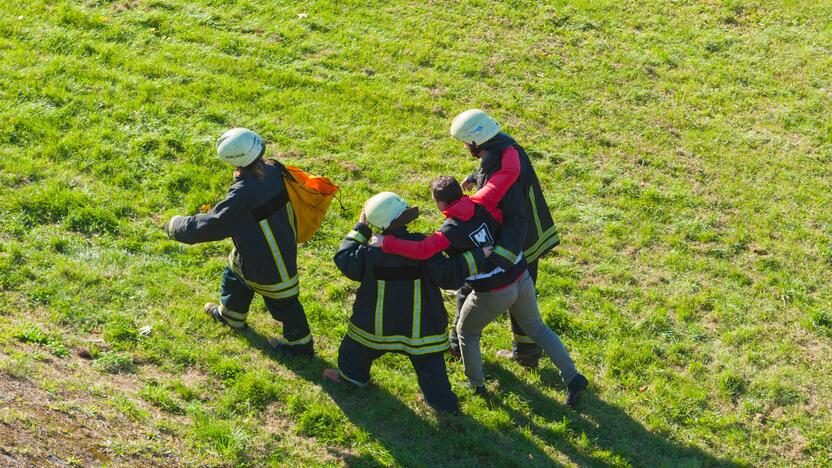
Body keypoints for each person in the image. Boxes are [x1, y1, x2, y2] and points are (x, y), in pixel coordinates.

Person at [372, 177, 587, 407]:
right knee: (538, 328)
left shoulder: (449, 231)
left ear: (442, 205)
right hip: (521, 276)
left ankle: (476, 385)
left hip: (493, 291)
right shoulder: (482, 203)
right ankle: (573, 377)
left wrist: (386, 243)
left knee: (466, 331)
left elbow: (424, 249)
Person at [323, 192, 491, 413]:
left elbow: (344, 259)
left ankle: (353, 379)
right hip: (421, 330)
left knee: (353, 353)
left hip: (374, 327)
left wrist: (361, 228)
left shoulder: (369, 251)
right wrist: (476, 256)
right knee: (432, 370)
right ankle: (444, 406)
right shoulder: (423, 246)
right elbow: (448, 275)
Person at [164, 128, 314, 357]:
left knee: (283, 302)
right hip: (261, 245)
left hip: (271, 260)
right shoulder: (273, 169)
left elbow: (215, 223)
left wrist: (178, 226)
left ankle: (300, 345)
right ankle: (231, 315)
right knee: (235, 276)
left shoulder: (243, 194)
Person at [450, 109, 561, 368]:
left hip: (517, 242)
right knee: (524, 298)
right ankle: (526, 353)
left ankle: (457, 346)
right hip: (529, 237)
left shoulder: (501, 161)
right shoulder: (506, 148)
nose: (465, 147)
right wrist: (475, 177)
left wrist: (502, 256)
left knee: (472, 287)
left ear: (477, 141)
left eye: (466, 142)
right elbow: (491, 174)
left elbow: (512, 216)